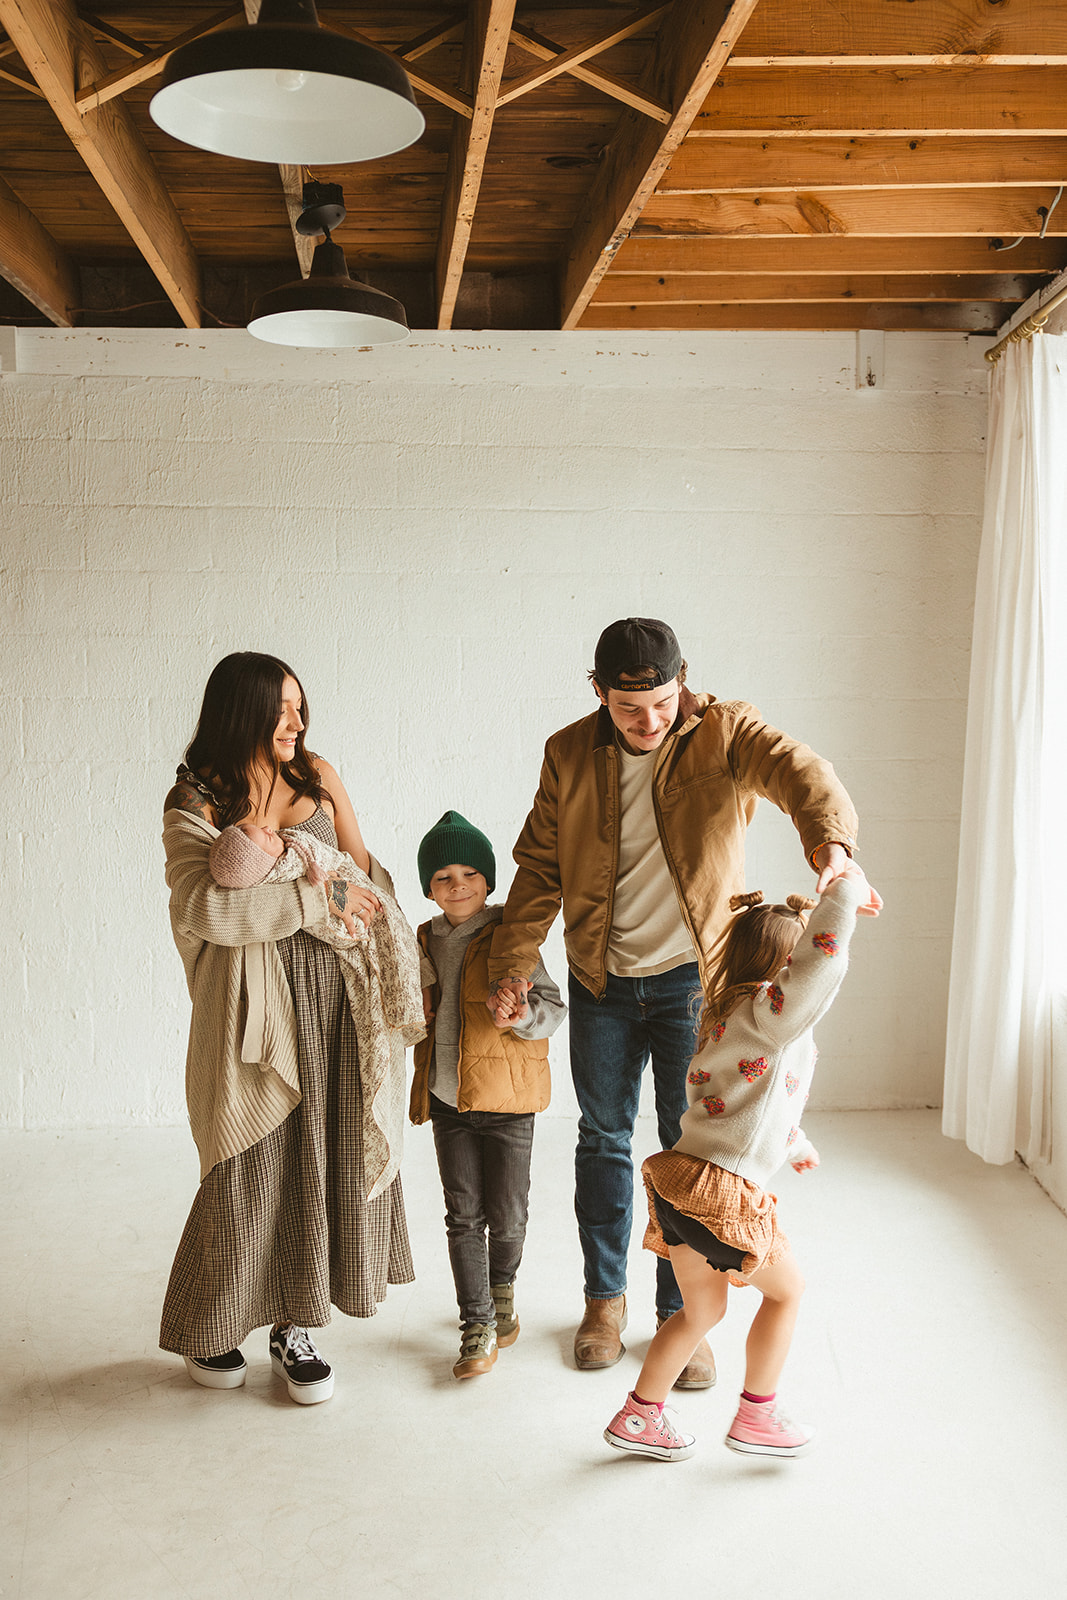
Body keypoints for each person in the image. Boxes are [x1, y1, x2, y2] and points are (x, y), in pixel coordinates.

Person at [487, 617, 862, 1386]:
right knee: (603, 1139)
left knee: (685, 1148)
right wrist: (514, 960)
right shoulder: (567, 754)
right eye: (630, 709)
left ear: (681, 684)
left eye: (661, 703)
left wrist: (830, 845)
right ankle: (602, 1301)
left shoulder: (723, 731)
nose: (648, 721)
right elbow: (535, 866)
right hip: (601, 981)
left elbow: (798, 771)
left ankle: (678, 1315)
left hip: (696, 983)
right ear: (599, 693)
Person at [160, 651, 415, 1405]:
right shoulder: (196, 801)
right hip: (254, 1014)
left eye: (301, 706)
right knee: (248, 1167)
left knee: (327, 1155)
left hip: (340, 999)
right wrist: (314, 904)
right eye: (281, 709)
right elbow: (207, 910)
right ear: (240, 711)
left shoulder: (317, 775)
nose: (297, 722)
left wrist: (367, 915)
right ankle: (212, 1326)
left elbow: (365, 870)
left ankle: (295, 1324)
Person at [604, 862, 881, 1460]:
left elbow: (741, 1105)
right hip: (723, 1191)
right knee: (788, 1292)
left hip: (680, 1177)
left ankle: (638, 1416)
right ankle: (758, 1416)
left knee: (703, 1307)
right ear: (787, 969)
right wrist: (844, 892)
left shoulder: (727, 1016)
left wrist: (796, 1144)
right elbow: (822, 962)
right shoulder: (773, 1015)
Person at [409, 811, 566, 1379]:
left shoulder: (510, 937)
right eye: (444, 876)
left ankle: (502, 1289)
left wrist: (523, 1013)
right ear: (428, 886)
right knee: (462, 1215)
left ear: (489, 880)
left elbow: (553, 1010)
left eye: (470, 873)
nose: (458, 886)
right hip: (450, 1100)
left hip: (508, 1102)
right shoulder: (423, 940)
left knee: (509, 1215)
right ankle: (476, 1324)